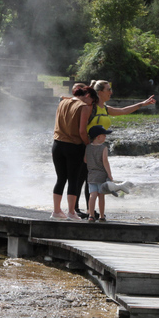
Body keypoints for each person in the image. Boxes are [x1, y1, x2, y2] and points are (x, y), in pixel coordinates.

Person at [75, 80, 156, 217]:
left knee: (93, 180)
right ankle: (76, 209)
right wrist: (86, 145)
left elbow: (124, 110)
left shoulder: (105, 108)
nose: (111, 92)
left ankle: (90, 211)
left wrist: (143, 104)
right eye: (108, 90)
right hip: (86, 147)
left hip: (98, 149)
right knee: (82, 178)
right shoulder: (90, 107)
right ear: (99, 92)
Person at [51, 85, 97, 220]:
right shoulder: (83, 107)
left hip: (57, 144)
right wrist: (88, 145)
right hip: (73, 146)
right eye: (92, 101)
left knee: (60, 179)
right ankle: (71, 212)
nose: (92, 105)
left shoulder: (63, 103)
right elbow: (82, 131)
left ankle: (56, 211)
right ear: (88, 95)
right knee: (73, 180)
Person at [84, 125, 114, 222]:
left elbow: (85, 160)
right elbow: (105, 161)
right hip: (101, 175)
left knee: (92, 195)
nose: (105, 137)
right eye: (104, 135)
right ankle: (101, 216)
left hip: (91, 175)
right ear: (98, 137)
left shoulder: (88, 147)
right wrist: (110, 175)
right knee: (101, 196)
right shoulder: (103, 148)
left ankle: (91, 215)